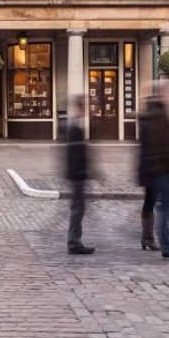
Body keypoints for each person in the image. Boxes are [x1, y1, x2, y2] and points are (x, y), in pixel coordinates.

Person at [138, 89, 169, 260]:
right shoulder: (156, 119)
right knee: (166, 207)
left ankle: (148, 237)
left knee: (152, 203)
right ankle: (162, 243)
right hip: (159, 170)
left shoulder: (154, 117)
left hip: (156, 170)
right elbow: (160, 148)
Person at [63, 96, 94, 255]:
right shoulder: (74, 127)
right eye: (85, 106)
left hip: (77, 174)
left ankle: (75, 240)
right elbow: (74, 154)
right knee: (77, 209)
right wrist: (81, 172)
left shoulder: (76, 125)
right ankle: (74, 242)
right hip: (77, 176)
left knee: (78, 208)